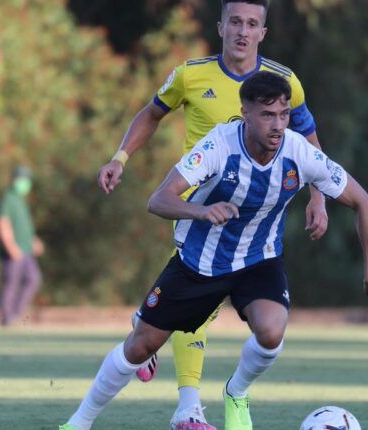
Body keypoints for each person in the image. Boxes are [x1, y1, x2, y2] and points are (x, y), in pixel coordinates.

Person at [62, 72, 368, 430]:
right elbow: (159, 200)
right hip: (198, 263)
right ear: (245, 112)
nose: (277, 125)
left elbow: (364, 203)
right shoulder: (218, 146)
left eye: (283, 114)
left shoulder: (300, 152)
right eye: (267, 115)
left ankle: (236, 392)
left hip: (258, 259)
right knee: (140, 346)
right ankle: (78, 423)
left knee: (272, 330)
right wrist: (201, 211)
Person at [96, 1, 328, 427]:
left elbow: (309, 139)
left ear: (263, 31)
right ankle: (188, 409)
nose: (242, 31)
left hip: (256, 214)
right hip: (198, 207)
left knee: (215, 308)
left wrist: (318, 197)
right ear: (221, 26)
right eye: (235, 21)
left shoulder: (284, 83)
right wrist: (120, 157)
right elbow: (151, 113)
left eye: (252, 23)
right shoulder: (191, 74)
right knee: (200, 302)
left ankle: (149, 330)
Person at [0, 166, 44, 326]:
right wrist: (11, 246)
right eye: (21, 179)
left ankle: (16, 314)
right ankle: (6, 318)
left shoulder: (20, 201)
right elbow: (3, 223)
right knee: (11, 283)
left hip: (27, 250)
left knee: (33, 279)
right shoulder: (8, 199)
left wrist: (33, 241)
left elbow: (24, 227)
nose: (25, 184)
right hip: (14, 251)